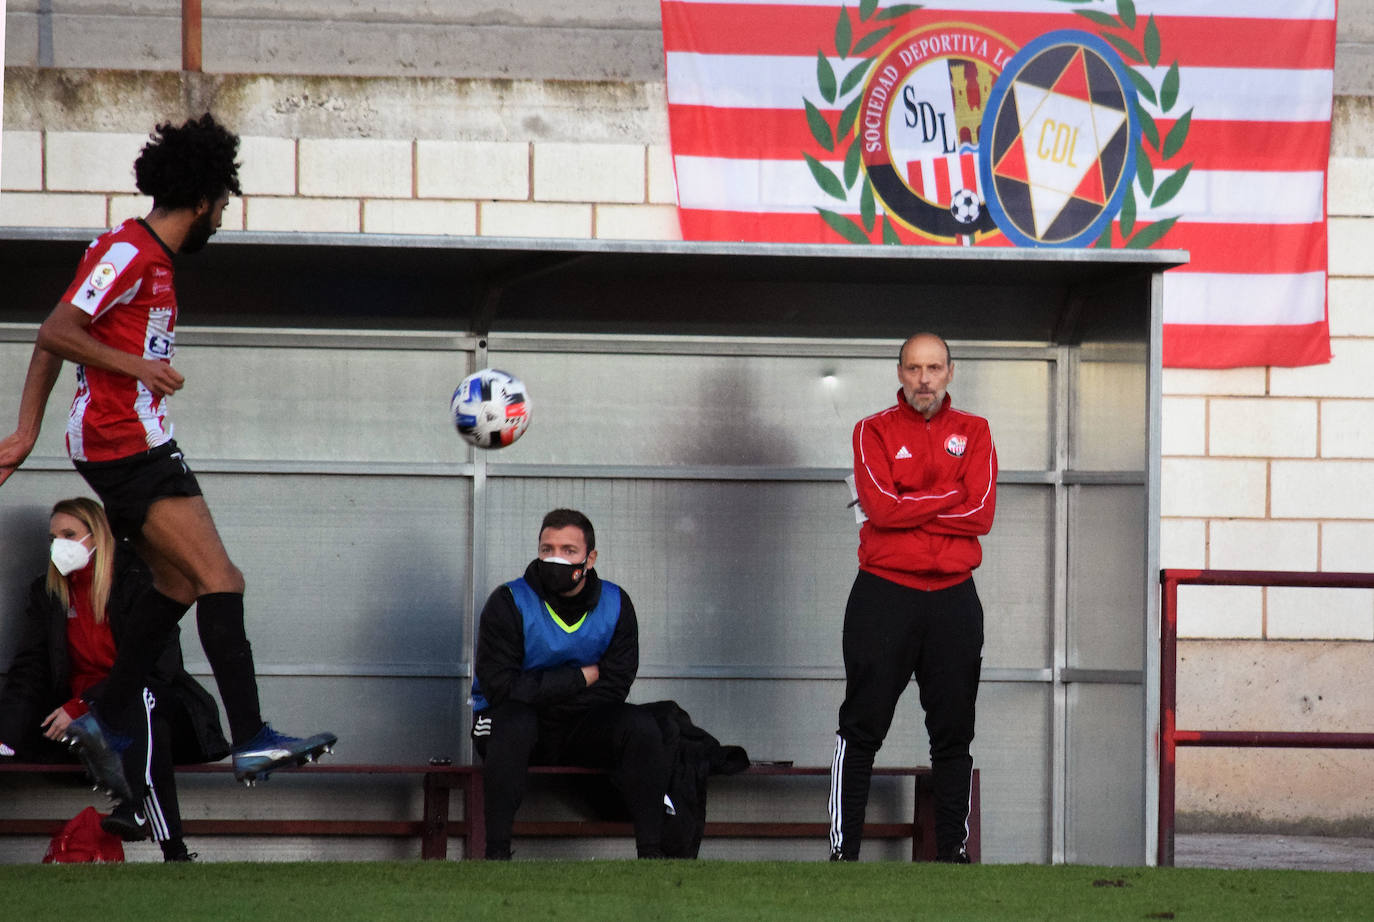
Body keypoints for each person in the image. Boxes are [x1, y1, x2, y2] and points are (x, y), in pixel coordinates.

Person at [0, 113, 335, 802]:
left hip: (131, 441)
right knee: (222, 579)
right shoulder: (130, 251)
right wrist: (134, 369)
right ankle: (250, 737)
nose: (222, 218)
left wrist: (27, 430)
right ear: (207, 198)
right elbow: (57, 329)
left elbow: (55, 335)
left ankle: (102, 719)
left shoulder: (140, 256)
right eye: (224, 205)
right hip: (127, 443)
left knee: (178, 586)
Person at [829, 333, 997, 863]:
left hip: (953, 598)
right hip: (885, 595)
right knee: (861, 726)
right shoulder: (871, 430)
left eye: (934, 368)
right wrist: (951, 494)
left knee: (953, 732)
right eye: (913, 368)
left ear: (951, 371)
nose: (924, 378)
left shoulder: (976, 431)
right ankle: (843, 854)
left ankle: (952, 855)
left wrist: (912, 503)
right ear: (899, 373)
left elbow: (982, 515)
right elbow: (879, 509)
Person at [0, 498, 230, 861]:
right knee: (148, 726)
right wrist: (7, 736)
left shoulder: (144, 584)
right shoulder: (49, 593)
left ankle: (133, 803)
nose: (59, 545)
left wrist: (83, 704)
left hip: (139, 701)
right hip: (85, 723)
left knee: (140, 698)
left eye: (69, 534)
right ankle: (172, 850)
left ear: (99, 537)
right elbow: (30, 668)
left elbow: (158, 665)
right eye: (52, 537)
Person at [470, 508, 670, 859]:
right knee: (514, 721)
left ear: (590, 558)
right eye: (547, 549)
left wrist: (542, 692)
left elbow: (615, 686)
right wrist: (581, 676)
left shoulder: (616, 604)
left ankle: (653, 856)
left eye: (568, 551)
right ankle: (496, 854)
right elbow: (502, 689)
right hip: (510, 724)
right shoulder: (508, 602)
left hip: (581, 724)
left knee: (641, 726)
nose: (556, 559)